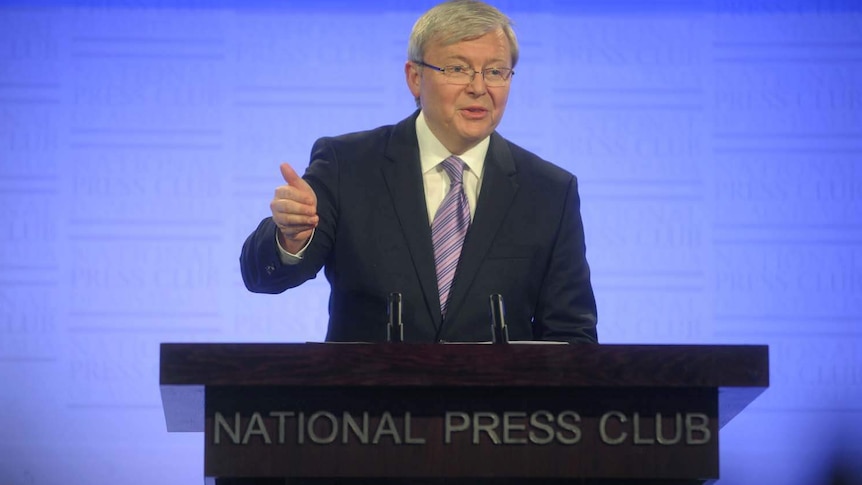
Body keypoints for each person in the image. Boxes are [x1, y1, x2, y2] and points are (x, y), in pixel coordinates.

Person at [240, 0, 597, 344]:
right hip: (367, 403)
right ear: (414, 78)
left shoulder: (549, 191)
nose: (478, 87)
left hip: (496, 405)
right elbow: (261, 277)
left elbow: (572, 336)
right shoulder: (347, 164)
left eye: (495, 72)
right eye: (457, 69)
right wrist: (290, 239)